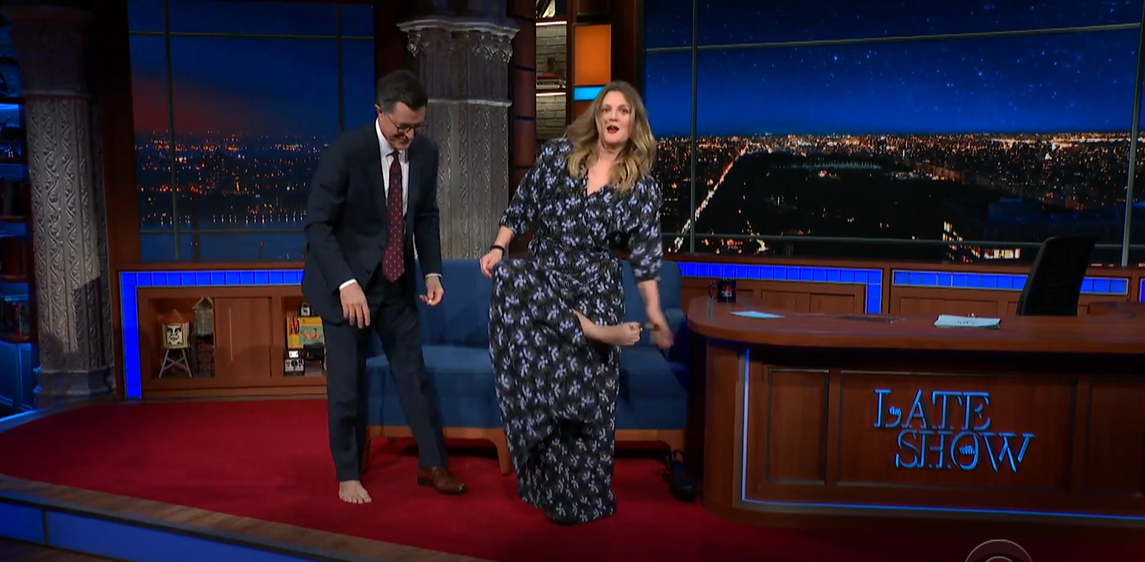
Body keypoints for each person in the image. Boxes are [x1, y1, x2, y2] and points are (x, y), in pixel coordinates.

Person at [479, 81, 673, 525]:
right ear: (596, 117)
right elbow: (523, 205)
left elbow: (645, 259)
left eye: (623, 111)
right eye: (607, 109)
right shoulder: (557, 157)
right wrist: (498, 246)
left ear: (634, 123)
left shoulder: (640, 188)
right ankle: (592, 330)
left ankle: (581, 496)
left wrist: (655, 312)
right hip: (545, 283)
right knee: (509, 277)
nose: (613, 116)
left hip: (595, 288)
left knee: (584, 403)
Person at [303, 69, 466, 505]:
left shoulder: (425, 152)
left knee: (413, 376)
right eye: (402, 127)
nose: (409, 136)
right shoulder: (346, 152)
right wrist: (345, 282)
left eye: (417, 126)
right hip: (346, 285)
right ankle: (348, 473)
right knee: (347, 384)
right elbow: (317, 225)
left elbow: (425, 215)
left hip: (395, 283)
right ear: (380, 112)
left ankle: (433, 465)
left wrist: (432, 272)